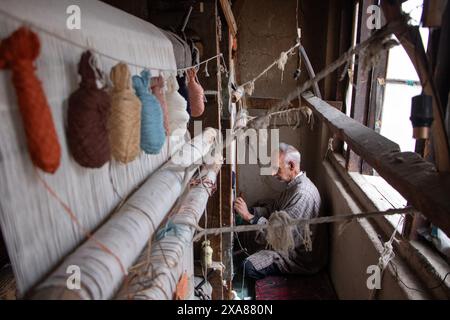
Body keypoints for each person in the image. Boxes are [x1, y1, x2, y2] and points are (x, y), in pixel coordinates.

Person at [234, 143, 327, 280]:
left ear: (291, 165)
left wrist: (249, 217)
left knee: (247, 267)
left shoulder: (303, 195)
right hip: (287, 243)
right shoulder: (293, 186)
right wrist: (250, 210)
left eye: (276, 168)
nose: (272, 173)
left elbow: (281, 236)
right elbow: (273, 209)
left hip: (297, 257)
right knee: (246, 234)